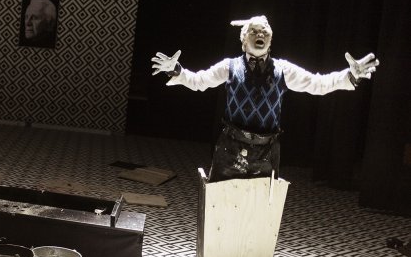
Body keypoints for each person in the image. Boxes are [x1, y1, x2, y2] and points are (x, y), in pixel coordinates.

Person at [150, 15, 378, 182]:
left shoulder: (283, 69)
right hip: (230, 148)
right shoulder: (229, 66)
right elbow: (199, 81)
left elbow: (318, 84)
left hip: (266, 152)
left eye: (265, 32)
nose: (260, 34)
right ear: (243, 40)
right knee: (220, 206)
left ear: (271, 41)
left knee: (260, 213)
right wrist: (176, 70)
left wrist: (350, 76)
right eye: (254, 31)